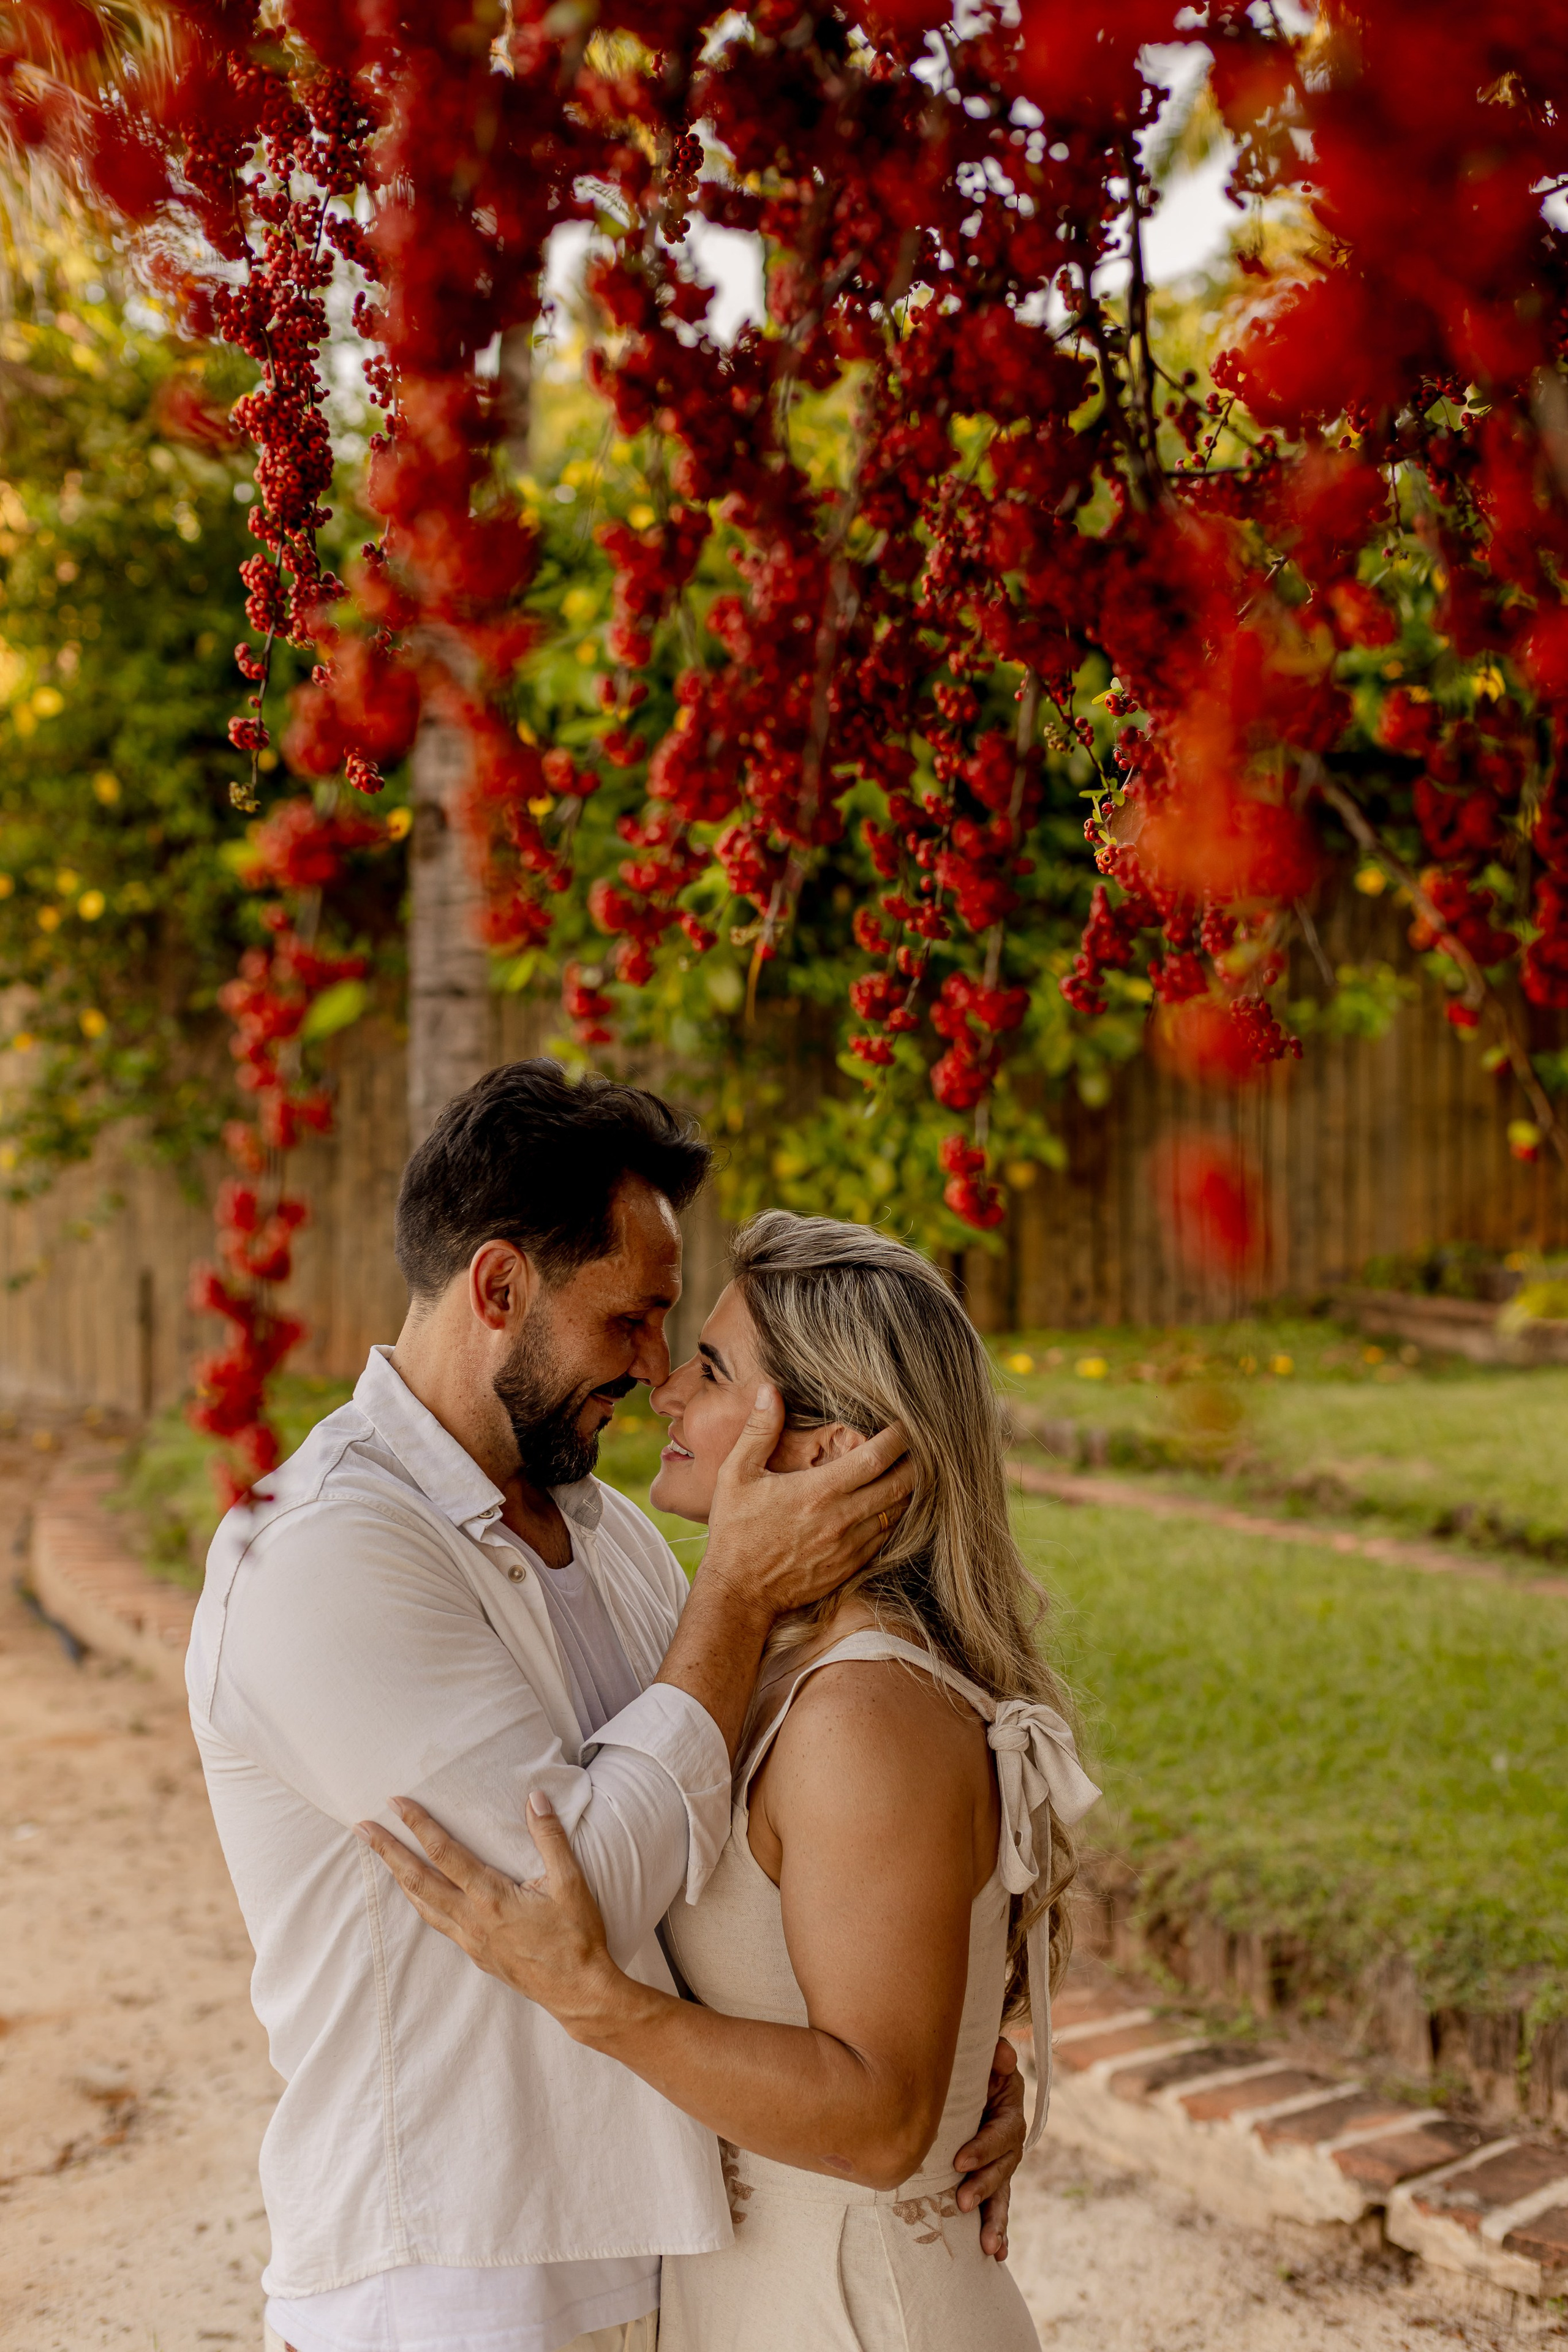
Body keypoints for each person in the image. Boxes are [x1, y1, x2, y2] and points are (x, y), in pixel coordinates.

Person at [185, 1062, 1025, 2352]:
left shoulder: (609, 1535)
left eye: (676, 1335)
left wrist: (941, 2053)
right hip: (458, 2289)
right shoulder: (320, 1554)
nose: (650, 1373)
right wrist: (735, 1598)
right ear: (501, 1288)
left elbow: (729, 1855)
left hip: (662, 2270)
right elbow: (569, 1891)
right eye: (631, 1322)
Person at [359, 1209, 1101, 2352]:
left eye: (710, 1369)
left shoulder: (863, 1713)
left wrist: (599, 2003)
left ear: (821, 1451)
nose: (663, 1389)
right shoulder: (766, 1659)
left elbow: (884, 2117)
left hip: (852, 2313)